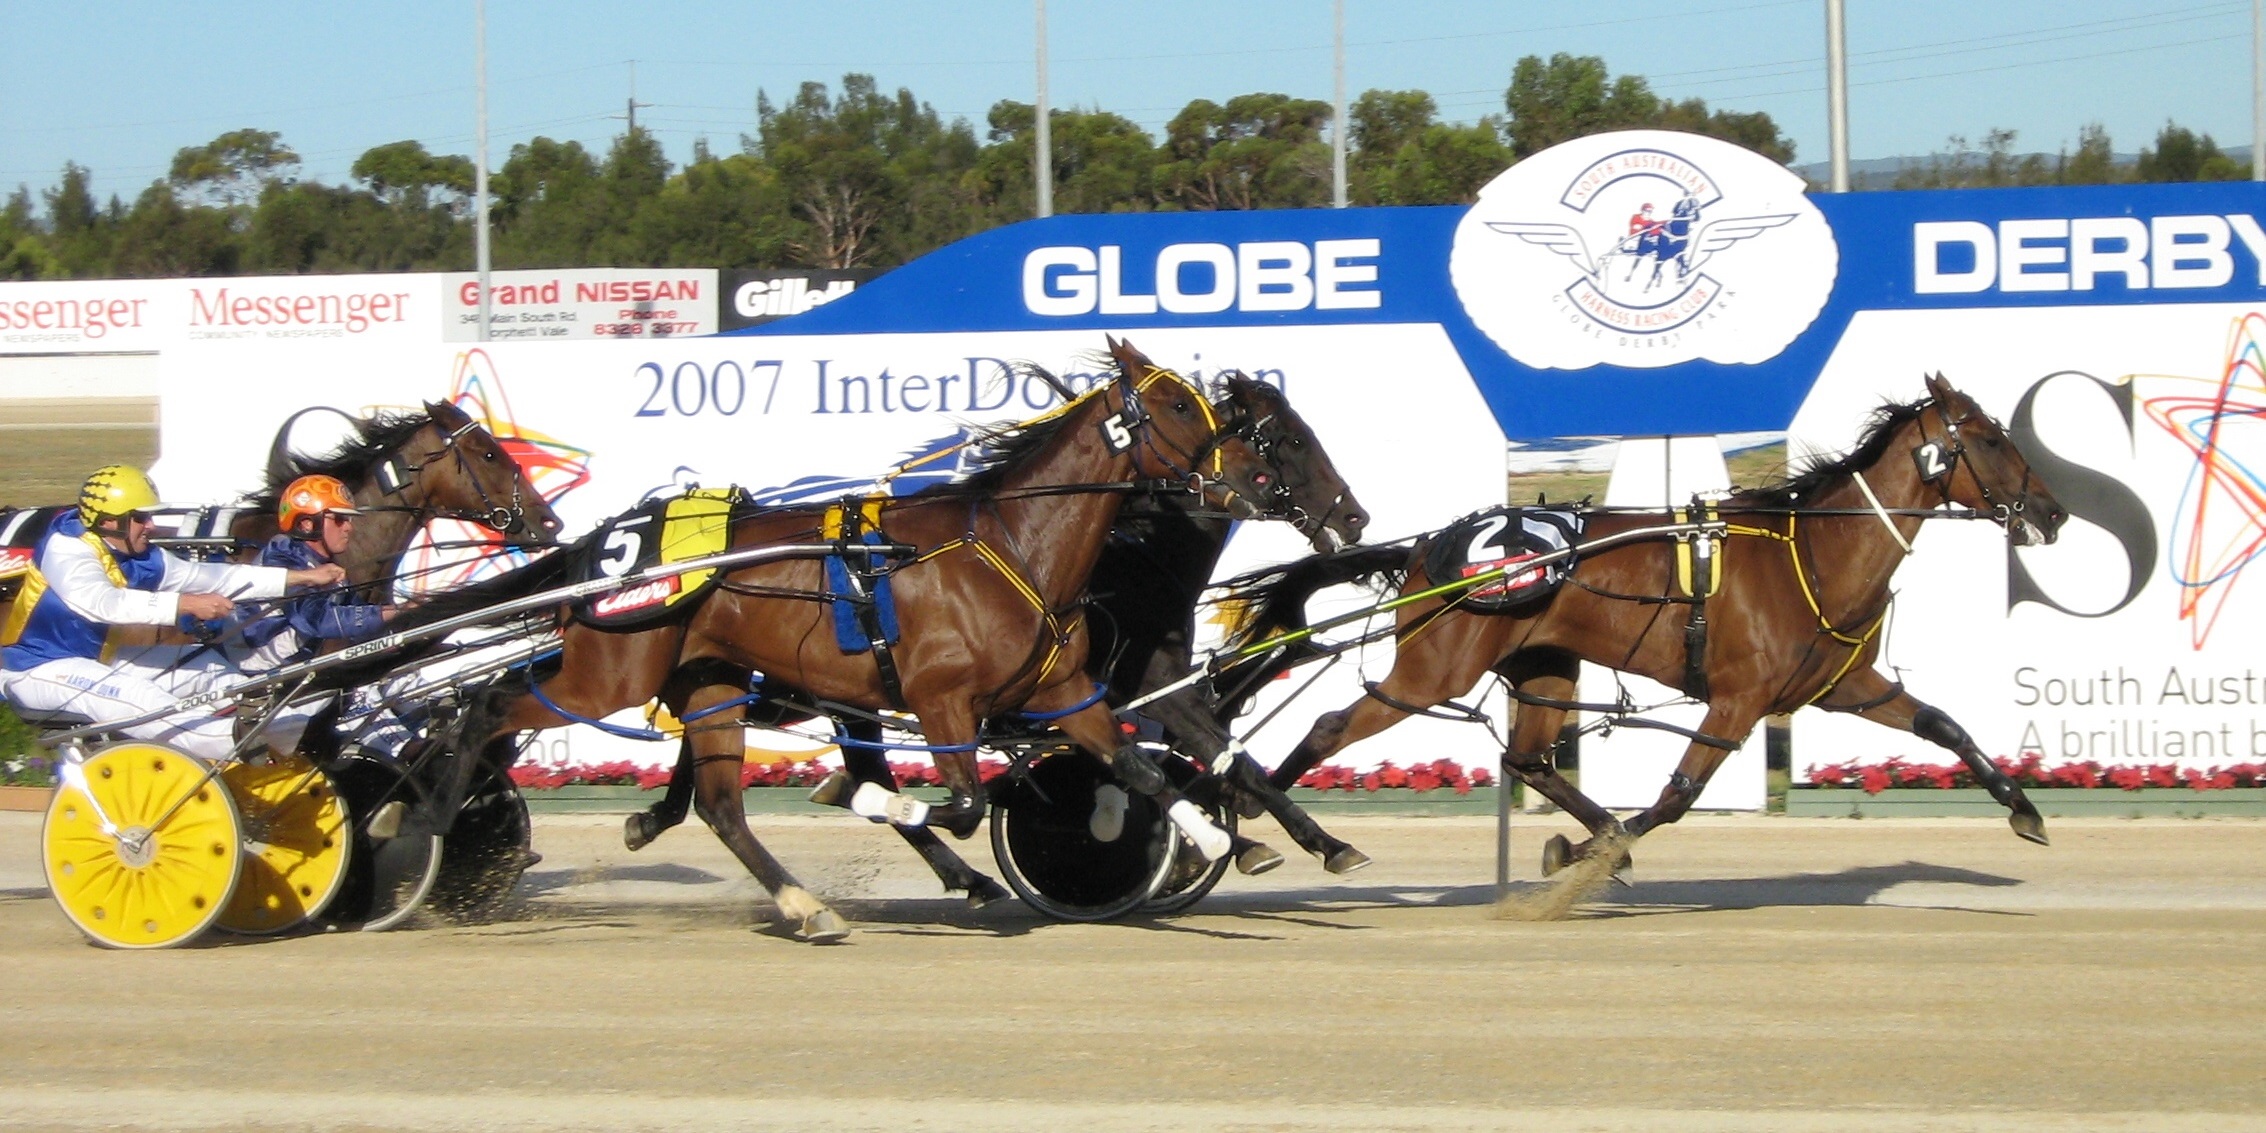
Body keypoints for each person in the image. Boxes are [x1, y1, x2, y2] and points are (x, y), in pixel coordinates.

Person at [0, 465, 344, 760]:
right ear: (109, 521)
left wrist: (300, 577)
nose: (151, 525)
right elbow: (103, 603)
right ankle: (235, 742)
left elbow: (216, 577)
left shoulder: (140, 556)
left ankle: (291, 725)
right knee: (140, 699)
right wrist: (185, 604)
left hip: (98, 659)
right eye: (140, 518)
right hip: (35, 669)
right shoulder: (67, 548)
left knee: (206, 666)